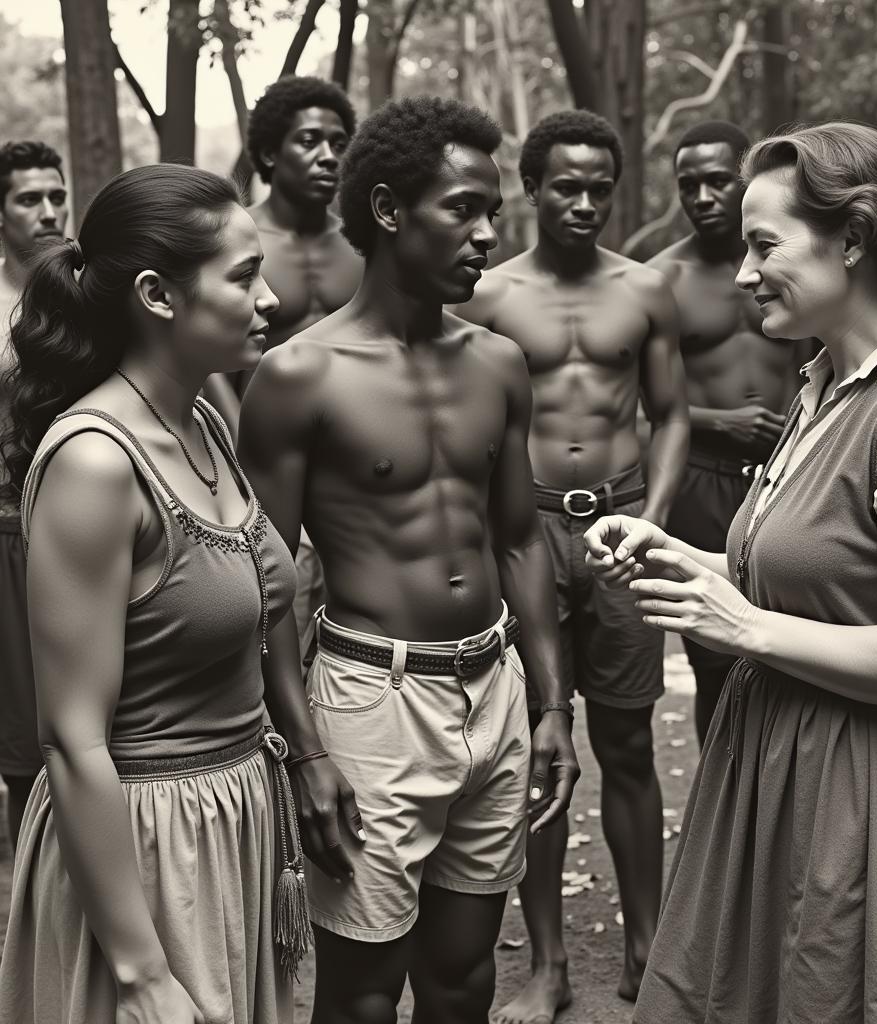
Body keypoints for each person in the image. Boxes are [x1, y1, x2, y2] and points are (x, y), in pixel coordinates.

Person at [586, 122, 877, 1023]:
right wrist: (689, 561)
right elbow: (815, 573)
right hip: (779, 767)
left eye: (763, 244)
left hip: (874, 797)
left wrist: (738, 626)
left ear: (853, 239)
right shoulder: (826, 387)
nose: (742, 273)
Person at [237, 96, 580, 1024]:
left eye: (492, 215)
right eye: (462, 210)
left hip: (495, 690)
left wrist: (553, 703)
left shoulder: (501, 364)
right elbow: (265, 580)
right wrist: (304, 751)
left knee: (465, 976)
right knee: (361, 990)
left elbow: (517, 537)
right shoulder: (300, 375)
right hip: (372, 704)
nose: (485, 236)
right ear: (389, 211)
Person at [0, 164, 303, 1024]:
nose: (272, 299)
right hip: (143, 845)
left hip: (229, 818)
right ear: (157, 295)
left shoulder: (201, 414)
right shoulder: (96, 463)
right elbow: (72, 738)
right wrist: (138, 971)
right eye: (244, 277)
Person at [454, 109, 688, 1019]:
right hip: (527, 530)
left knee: (628, 741)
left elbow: (670, 415)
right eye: (567, 186)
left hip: (623, 523)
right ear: (532, 188)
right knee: (535, 750)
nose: (584, 202)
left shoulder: (647, 290)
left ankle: (647, 951)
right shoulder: (487, 295)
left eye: (600, 188)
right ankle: (547, 966)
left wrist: (653, 522)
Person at [647, 120, 808, 746]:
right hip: (703, 482)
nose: (702, 196)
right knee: (715, 657)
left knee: (792, 640)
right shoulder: (659, 280)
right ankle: (724, 805)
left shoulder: (795, 264)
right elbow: (636, 409)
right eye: (688, 184)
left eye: (718, 181)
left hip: (790, 472)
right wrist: (722, 421)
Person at [208, 74, 364, 650]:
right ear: (271, 152)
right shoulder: (238, 235)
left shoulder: (363, 243)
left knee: (355, 640)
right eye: (309, 140)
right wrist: (242, 447)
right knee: (279, 629)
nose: (329, 155)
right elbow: (212, 361)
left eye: (340, 140)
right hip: (264, 472)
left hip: (357, 471)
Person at [0, 139, 69, 850]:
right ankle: (29, 918)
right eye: (29, 198)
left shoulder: (83, 293)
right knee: (25, 747)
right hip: (7, 533)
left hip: (82, 525)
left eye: (56, 196)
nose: (48, 211)